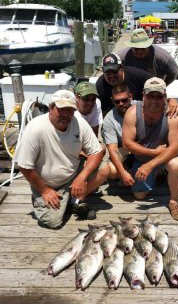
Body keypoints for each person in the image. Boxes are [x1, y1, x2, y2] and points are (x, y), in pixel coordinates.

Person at [14, 89, 109, 229]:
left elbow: (97, 151)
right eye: (61, 109)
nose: (65, 114)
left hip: (72, 174)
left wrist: (81, 177)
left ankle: (73, 198)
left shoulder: (79, 123)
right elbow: (24, 166)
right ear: (51, 108)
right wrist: (45, 190)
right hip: (46, 183)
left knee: (105, 168)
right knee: (52, 221)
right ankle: (49, 198)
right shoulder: (35, 128)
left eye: (70, 110)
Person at [122, 77, 178, 221]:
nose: (154, 101)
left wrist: (150, 165)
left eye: (159, 96)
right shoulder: (132, 113)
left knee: (177, 165)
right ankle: (159, 174)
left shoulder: (173, 114)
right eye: (150, 96)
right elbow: (127, 144)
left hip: (166, 157)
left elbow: (176, 148)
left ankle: (174, 201)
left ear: (165, 97)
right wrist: (153, 154)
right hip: (143, 159)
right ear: (143, 95)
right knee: (140, 195)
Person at [96, 53, 178, 118]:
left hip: (143, 114)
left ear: (121, 68)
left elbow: (159, 90)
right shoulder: (100, 85)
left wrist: (170, 100)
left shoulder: (139, 76)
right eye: (107, 72)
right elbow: (104, 112)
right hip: (117, 117)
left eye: (114, 71)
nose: (111, 76)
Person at [102, 83, 135, 187]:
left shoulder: (141, 107)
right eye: (117, 101)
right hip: (125, 151)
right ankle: (129, 173)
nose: (121, 103)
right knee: (110, 171)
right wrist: (122, 172)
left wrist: (172, 101)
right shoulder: (109, 119)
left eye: (124, 100)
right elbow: (113, 150)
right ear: (112, 101)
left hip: (143, 148)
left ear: (131, 96)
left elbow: (160, 103)